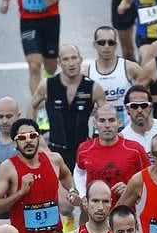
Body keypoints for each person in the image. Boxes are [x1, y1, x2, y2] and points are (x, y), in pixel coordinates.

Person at [27, 43, 106, 172]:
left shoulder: (93, 88)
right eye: (66, 59)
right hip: (54, 151)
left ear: (80, 59)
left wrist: (98, 142)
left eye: (74, 58)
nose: (71, 63)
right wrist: (36, 137)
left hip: (83, 151)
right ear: (59, 62)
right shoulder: (47, 85)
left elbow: (107, 115)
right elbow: (31, 106)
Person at [74, 104, 149, 205]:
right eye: (102, 121)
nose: (107, 125)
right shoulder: (84, 148)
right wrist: (83, 195)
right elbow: (79, 172)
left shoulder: (135, 149)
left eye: (111, 120)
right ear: (95, 124)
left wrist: (130, 190)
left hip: (126, 213)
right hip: (95, 213)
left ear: (119, 123)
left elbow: (149, 178)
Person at [82, 24, 142, 128]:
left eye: (111, 42)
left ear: (116, 45)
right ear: (94, 45)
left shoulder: (130, 68)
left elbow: (148, 96)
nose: (106, 46)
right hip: (101, 132)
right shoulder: (86, 73)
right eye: (101, 42)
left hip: (127, 131)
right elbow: (78, 105)